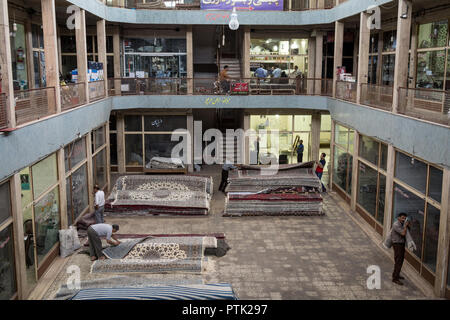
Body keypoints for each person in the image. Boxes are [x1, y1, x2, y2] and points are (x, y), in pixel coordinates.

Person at [391, 213, 410, 285]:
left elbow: (408, 230)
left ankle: (397, 274)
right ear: (398, 218)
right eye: (402, 218)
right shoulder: (396, 225)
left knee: (401, 260)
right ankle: (395, 278)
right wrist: (405, 226)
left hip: (401, 244)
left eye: (405, 218)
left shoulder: (402, 224)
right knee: (398, 261)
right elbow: (403, 233)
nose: (404, 220)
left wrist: (407, 225)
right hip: (397, 245)